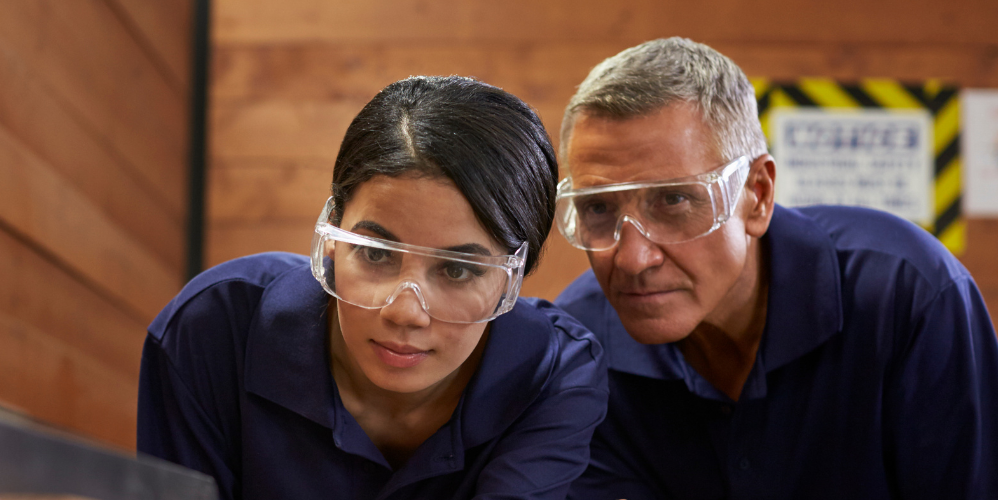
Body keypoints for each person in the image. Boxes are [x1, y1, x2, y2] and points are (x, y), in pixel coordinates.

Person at [554, 38, 998, 499]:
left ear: (758, 195)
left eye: (674, 200)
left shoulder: (907, 295)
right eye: (598, 208)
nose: (631, 259)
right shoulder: (579, 349)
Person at [136, 76, 608, 500]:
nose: (405, 312)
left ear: (513, 276)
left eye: (457, 270)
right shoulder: (213, 330)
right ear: (333, 234)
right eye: (377, 255)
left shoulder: (555, 374)